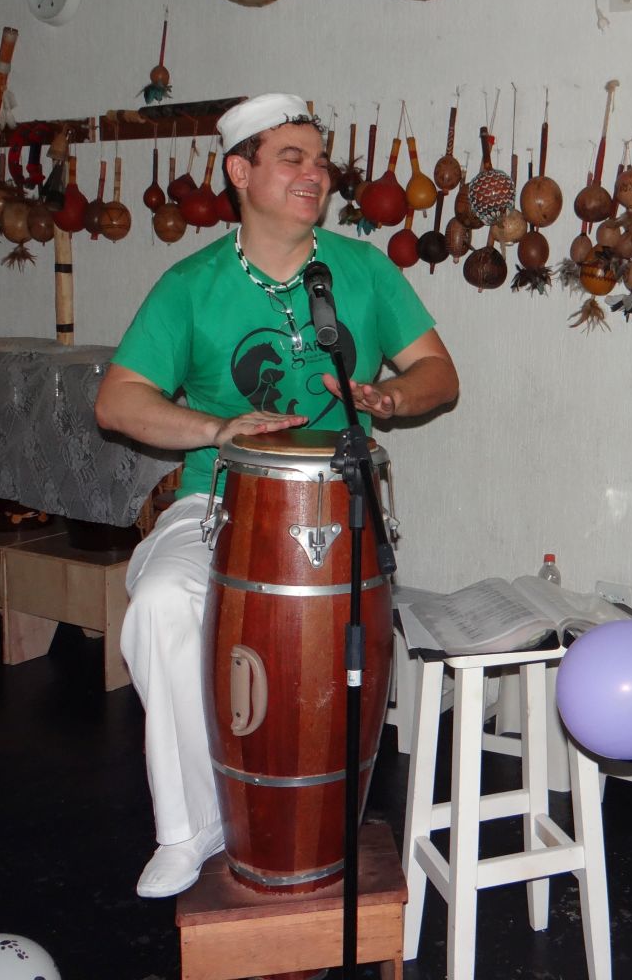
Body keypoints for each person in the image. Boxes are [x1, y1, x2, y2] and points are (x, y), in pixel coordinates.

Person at [95, 93, 459, 899]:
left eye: (320, 161)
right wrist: (215, 429)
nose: (314, 174)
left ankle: (317, 818)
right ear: (239, 171)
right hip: (219, 502)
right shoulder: (190, 284)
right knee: (160, 603)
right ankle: (192, 828)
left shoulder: (363, 268)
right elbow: (117, 402)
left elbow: (439, 373)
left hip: (339, 508)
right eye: (291, 158)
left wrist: (393, 398)